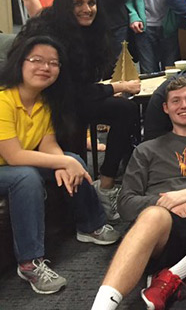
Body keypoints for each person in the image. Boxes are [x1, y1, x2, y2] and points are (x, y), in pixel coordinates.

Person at [89, 77, 186, 310]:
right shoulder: (146, 149)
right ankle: (101, 307)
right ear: (165, 108)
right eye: (176, 101)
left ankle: (170, 277)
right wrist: (167, 203)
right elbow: (126, 204)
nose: (184, 105)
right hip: (161, 230)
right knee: (153, 215)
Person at [0, 35, 119, 295]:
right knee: (26, 176)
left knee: (74, 160)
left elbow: (48, 145)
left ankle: (91, 225)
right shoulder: (3, 100)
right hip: (9, 165)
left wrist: (64, 162)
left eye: (53, 63)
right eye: (37, 60)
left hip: (16, 163)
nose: (46, 67)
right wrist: (61, 161)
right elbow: (14, 157)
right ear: (20, 62)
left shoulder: (43, 102)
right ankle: (29, 263)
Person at [16, 0, 141, 222]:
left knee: (125, 109)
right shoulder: (48, 35)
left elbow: (84, 88)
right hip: (50, 105)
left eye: (91, 3)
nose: (87, 8)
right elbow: (69, 92)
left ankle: (105, 187)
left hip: (76, 100)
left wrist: (105, 91)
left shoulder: (93, 31)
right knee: (73, 121)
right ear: (65, 6)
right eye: (79, 3)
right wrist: (116, 87)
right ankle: (74, 206)